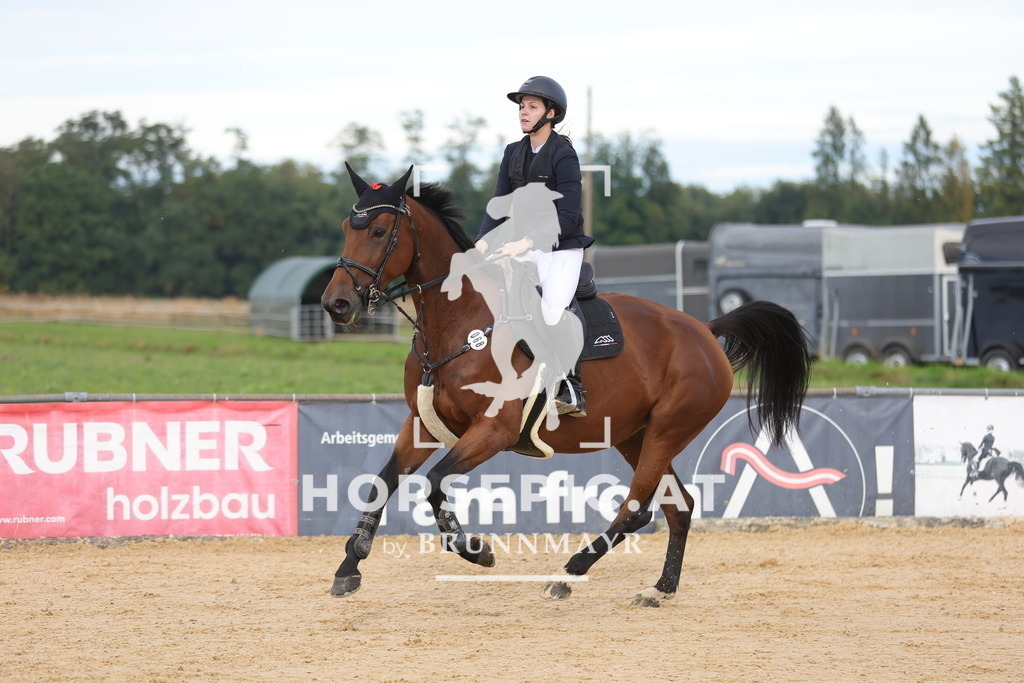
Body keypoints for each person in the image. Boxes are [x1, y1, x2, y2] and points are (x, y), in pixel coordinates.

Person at [475, 76, 594, 416]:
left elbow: (568, 215)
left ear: (551, 113)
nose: (523, 112)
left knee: (552, 309)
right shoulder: (513, 152)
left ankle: (573, 386)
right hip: (523, 246)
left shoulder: (564, 155)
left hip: (562, 247)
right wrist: (483, 239)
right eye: (521, 106)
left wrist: (526, 241)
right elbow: (499, 205)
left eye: (532, 107)